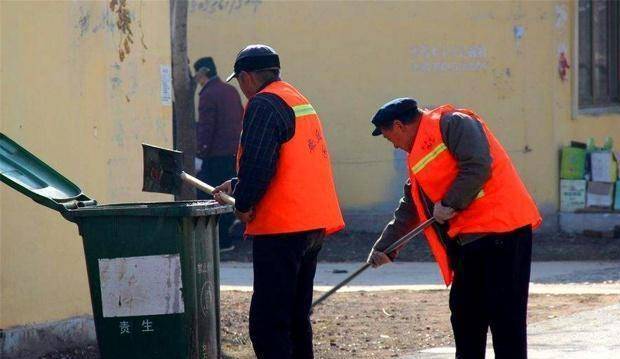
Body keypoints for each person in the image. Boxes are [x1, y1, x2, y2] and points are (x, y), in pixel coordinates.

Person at [367, 98, 541, 359]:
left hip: (503, 234)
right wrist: (385, 247)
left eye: (389, 137)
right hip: (469, 241)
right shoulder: (417, 158)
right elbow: (410, 206)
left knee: (506, 320)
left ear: (399, 125)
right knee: (465, 318)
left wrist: (449, 202)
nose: (392, 144)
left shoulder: (455, 124)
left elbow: (477, 166)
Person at [212, 44, 345, 359]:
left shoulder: (263, 104)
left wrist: (241, 204)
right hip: (311, 224)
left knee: (268, 324)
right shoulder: (296, 99)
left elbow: (259, 164)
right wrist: (236, 184)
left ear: (246, 77)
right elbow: (286, 162)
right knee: (296, 319)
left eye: (240, 82)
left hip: (282, 228)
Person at [193, 56, 243, 252]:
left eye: (197, 74)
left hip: (214, 155)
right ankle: (228, 234)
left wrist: (200, 153)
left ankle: (220, 242)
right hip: (232, 153)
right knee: (229, 193)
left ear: (204, 72)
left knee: (211, 196)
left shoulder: (208, 94)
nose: (196, 78)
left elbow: (206, 127)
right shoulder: (231, 91)